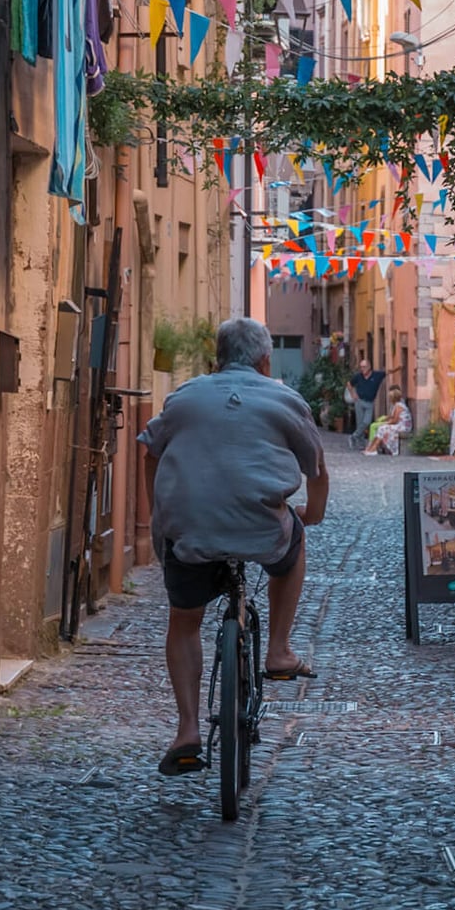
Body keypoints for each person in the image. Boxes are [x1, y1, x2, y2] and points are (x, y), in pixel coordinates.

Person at [138, 318, 329, 777]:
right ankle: (279, 650)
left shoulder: (184, 397)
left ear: (215, 359)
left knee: (184, 623)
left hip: (189, 527)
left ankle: (187, 729)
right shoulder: (285, 398)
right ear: (266, 361)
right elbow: (316, 469)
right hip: (261, 525)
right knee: (294, 541)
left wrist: (157, 515)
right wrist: (312, 514)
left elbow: (150, 451)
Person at [346, 359, 386, 450]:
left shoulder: (376, 375)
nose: (362, 369)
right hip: (359, 401)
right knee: (360, 422)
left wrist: (398, 368)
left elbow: (388, 372)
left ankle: (353, 436)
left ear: (369, 367)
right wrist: (353, 394)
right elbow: (349, 384)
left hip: (370, 402)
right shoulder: (358, 376)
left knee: (366, 422)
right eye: (361, 367)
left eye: (364, 367)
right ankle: (361, 443)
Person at [363, 386, 412, 455]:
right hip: (399, 425)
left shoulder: (399, 406)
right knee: (380, 428)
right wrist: (385, 420)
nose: (389, 398)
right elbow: (392, 417)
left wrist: (385, 423)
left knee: (382, 428)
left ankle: (373, 449)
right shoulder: (396, 405)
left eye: (390, 397)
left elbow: (395, 420)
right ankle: (371, 448)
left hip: (403, 427)